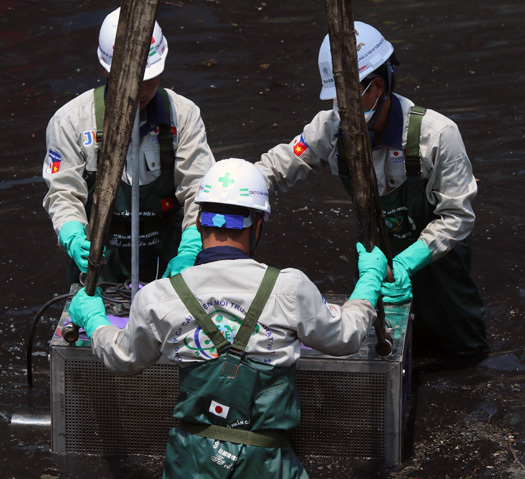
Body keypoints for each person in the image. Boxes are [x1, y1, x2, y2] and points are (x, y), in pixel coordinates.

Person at [68, 158, 388, 478]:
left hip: (192, 465)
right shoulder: (289, 288)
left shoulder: (159, 297)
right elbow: (345, 338)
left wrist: (95, 320)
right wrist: (368, 284)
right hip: (267, 464)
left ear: (198, 223)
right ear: (258, 223)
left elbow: (123, 358)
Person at [254, 21, 486, 362]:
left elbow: (457, 216)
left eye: (345, 99)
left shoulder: (437, 135)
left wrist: (406, 262)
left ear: (376, 87)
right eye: (335, 99)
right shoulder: (331, 127)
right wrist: (233, 196)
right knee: (377, 350)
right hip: (375, 257)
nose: (338, 108)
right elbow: (279, 165)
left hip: (438, 263)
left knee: (462, 356)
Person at [42, 7, 215, 286]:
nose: (141, 90)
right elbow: (63, 193)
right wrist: (72, 234)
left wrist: (193, 245)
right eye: (133, 80)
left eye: (149, 80)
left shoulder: (184, 116)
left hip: (167, 258)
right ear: (104, 70)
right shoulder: (70, 121)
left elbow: (199, 188)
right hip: (98, 259)